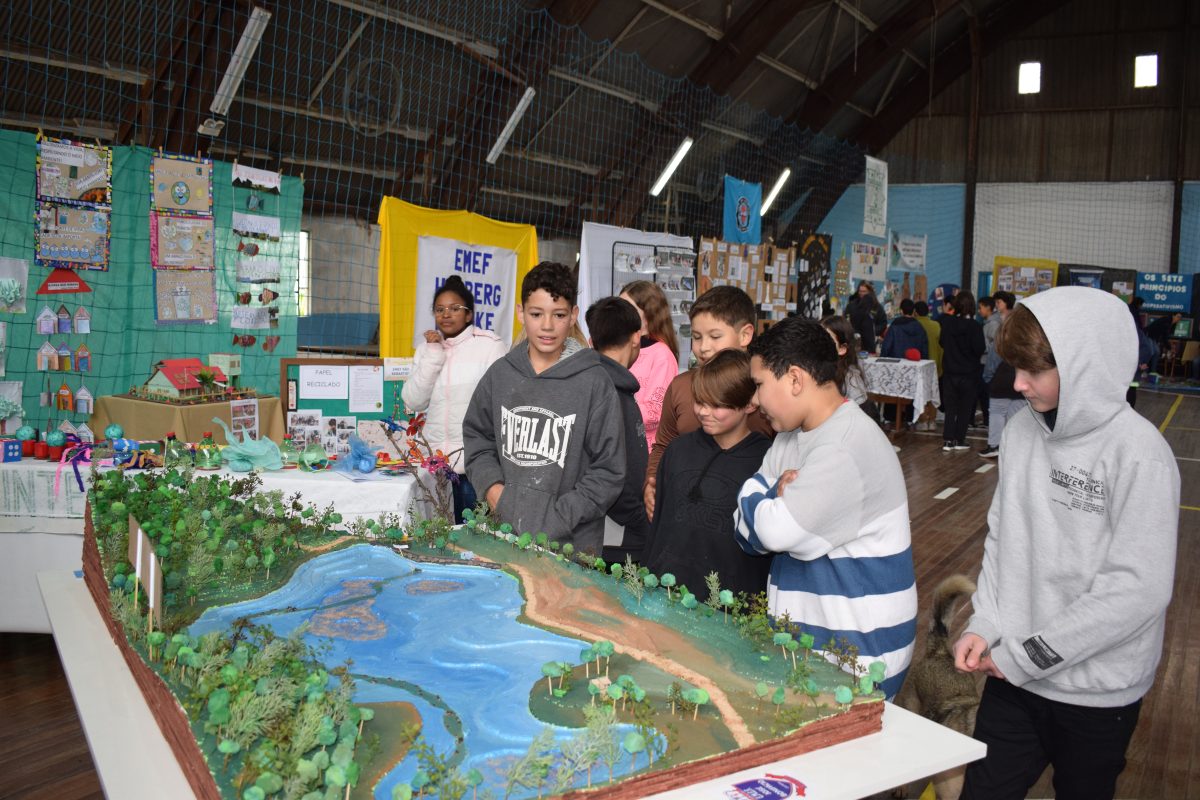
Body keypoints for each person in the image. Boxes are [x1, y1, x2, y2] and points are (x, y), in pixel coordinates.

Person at [954, 287, 1179, 800]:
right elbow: (1004, 538)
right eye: (1016, 368)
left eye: (1034, 372)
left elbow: (1136, 591)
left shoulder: (1140, 454)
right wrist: (986, 621)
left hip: (1097, 693)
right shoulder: (1021, 434)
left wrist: (1027, 655)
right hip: (1012, 678)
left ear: (1086, 365)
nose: (1018, 384)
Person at [733, 316, 916, 699]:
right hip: (813, 653)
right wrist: (768, 498)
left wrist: (764, 499)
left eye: (760, 385)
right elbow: (745, 531)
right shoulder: (790, 437)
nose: (753, 401)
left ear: (795, 379)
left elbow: (773, 531)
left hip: (856, 663)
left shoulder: (845, 446)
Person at [463, 262, 625, 554]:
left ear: (573, 316)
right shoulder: (500, 374)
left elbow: (609, 470)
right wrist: (495, 493)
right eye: (536, 314)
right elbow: (477, 437)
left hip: (573, 548)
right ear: (520, 313)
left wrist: (560, 516)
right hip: (505, 537)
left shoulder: (594, 381)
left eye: (559, 315)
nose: (547, 325)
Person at [642, 349, 771, 598]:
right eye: (699, 401)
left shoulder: (767, 460)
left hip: (732, 607)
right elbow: (658, 528)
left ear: (748, 403)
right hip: (665, 594)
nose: (703, 412)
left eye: (716, 405)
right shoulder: (678, 450)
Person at [643, 286, 772, 521]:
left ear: (745, 335)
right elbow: (663, 445)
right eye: (696, 337)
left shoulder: (766, 390)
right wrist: (652, 484)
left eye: (715, 337)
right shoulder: (681, 387)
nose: (703, 348)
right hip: (684, 513)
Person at [401, 276, 507, 523]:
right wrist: (433, 353)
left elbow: (501, 403)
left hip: (475, 466)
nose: (446, 314)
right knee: (436, 537)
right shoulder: (426, 350)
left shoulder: (490, 345)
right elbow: (413, 401)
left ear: (469, 314)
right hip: (434, 467)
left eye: (454, 308)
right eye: (440, 310)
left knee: (474, 538)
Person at [584, 296, 651, 565]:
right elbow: (612, 472)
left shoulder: (591, 385)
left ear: (591, 341)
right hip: (614, 534)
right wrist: (640, 521)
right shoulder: (610, 393)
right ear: (636, 337)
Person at [620, 280, 680, 453]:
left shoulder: (662, 355)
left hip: (644, 452)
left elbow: (655, 412)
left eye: (628, 310)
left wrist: (613, 409)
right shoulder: (621, 347)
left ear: (649, 316)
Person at [938, 291, 985, 452]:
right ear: (972, 306)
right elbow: (980, 349)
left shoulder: (948, 324)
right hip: (969, 373)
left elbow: (942, 342)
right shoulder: (975, 327)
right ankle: (959, 439)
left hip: (950, 372)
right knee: (965, 408)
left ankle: (947, 440)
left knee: (950, 408)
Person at [979, 291, 1018, 458]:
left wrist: (988, 376)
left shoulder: (1000, 326)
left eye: (998, 302)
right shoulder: (1022, 325)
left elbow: (994, 354)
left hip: (1002, 375)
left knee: (996, 412)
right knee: (1015, 415)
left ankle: (995, 446)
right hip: (1019, 376)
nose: (996, 306)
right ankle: (1013, 448)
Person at [820, 315, 876, 419]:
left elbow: (858, 420)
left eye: (827, 341)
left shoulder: (851, 380)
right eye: (818, 339)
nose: (820, 345)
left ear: (842, 349)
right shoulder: (817, 370)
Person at [845, 281, 885, 353]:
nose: (861, 293)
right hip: (855, 340)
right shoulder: (851, 305)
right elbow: (846, 320)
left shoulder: (877, 307)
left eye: (864, 291)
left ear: (870, 292)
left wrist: (873, 331)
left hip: (871, 341)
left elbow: (883, 323)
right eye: (860, 291)